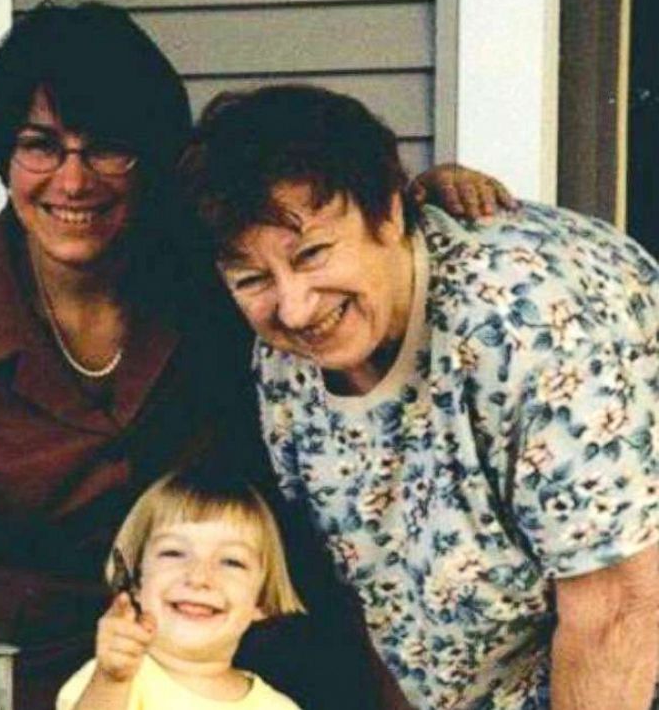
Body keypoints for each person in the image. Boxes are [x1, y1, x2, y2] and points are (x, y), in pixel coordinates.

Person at [0, 1, 516, 710]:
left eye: (107, 146)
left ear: (151, 152)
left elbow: (336, 219)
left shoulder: (218, 265)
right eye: (40, 144)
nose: (73, 181)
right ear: (3, 151)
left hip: (242, 663)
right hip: (42, 673)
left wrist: (426, 194)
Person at [179, 83, 659, 709]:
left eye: (315, 253)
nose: (294, 308)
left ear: (389, 211)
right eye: (252, 278)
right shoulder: (284, 362)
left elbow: (618, 608)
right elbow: (375, 595)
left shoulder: (525, 324)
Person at [57, 467, 306, 709]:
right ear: (134, 580)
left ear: (262, 598)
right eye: (174, 553)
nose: (198, 577)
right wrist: (111, 681)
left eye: (232, 561)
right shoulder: (110, 680)